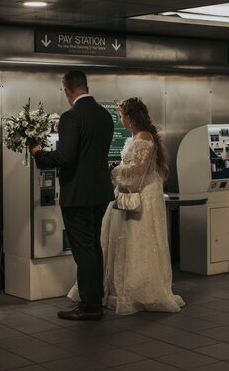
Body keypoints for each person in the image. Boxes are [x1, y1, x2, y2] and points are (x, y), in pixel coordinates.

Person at [70, 96, 184, 315]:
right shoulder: (139, 137)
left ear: (130, 118)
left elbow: (134, 174)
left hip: (141, 198)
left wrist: (113, 171)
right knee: (127, 242)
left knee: (137, 241)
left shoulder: (143, 139)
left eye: (121, 116)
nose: (120, 120)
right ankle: (123, 288)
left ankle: (138, 291)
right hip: (134, 195)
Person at [30, 70, 114, 321]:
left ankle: (89, 307)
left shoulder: (71, 117)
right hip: (100, 192)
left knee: (83, 250)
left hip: (77, 193)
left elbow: (65, 157)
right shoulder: (105, 115)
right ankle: (94, 300)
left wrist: (37, 153)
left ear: (67, 90)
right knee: (93, 246)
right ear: (86, 86)